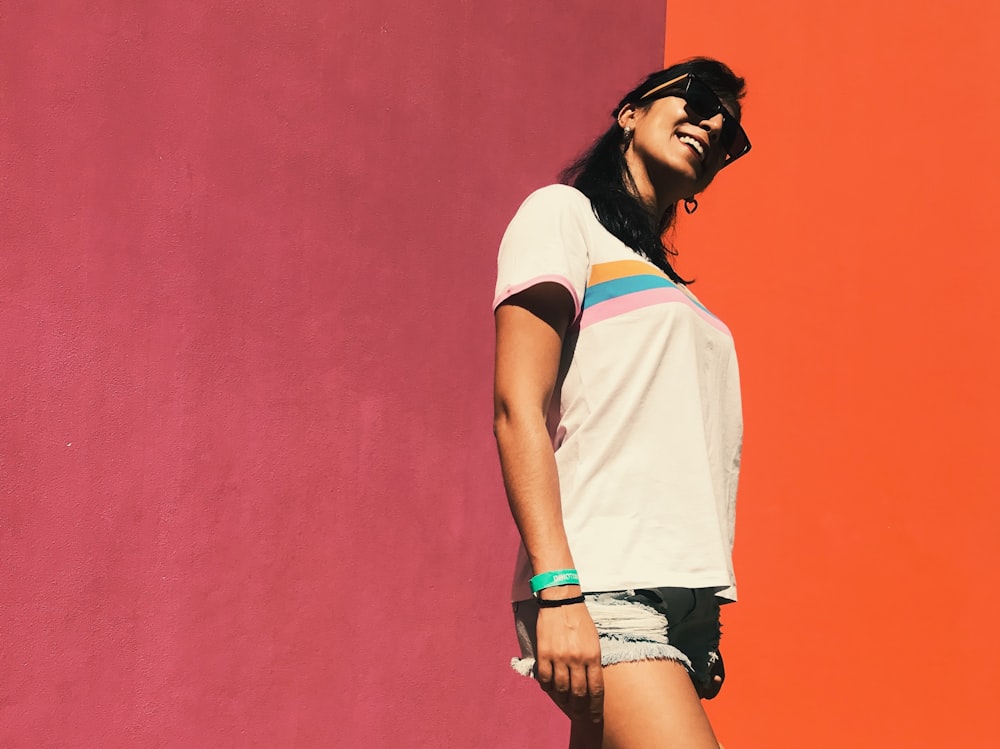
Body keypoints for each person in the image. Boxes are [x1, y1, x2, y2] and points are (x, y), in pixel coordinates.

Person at [492, 57, 750, 749]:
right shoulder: (563, 216)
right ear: (629, 112)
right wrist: (559, 589)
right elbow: (519, 404)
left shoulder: (678, 292)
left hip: (686, 606)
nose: (714, 122)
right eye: (698, 98)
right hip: (604, 581)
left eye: (731, 131)